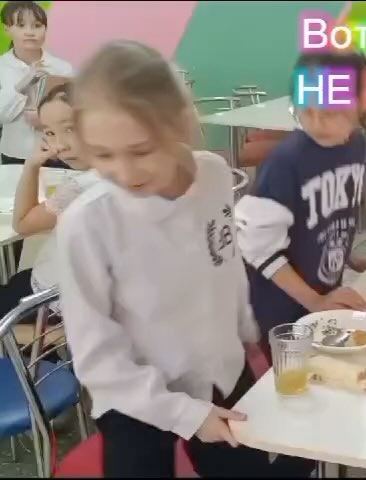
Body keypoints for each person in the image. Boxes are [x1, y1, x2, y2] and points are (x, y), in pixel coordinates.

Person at [54, 40, 315, 478]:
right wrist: (185, 414)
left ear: (177, 123)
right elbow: (98, 360)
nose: (124, 172)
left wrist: (245, 329)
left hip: (220, 370)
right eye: (102, 155)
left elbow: (225, 260)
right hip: (135, 398)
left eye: (141, 150)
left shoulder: (212, 173)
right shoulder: (87, 223)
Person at [235, 50, 366, 359]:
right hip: (281, 310)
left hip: (323, 297)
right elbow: (257, 248)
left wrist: (357, 260)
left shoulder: (356, 145)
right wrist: (315, 302)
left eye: (329, 111)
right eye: (306, 110)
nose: (316, 121)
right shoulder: (287, 162)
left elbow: (330, 220)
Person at [1, 83, 96, 320]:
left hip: (53, 301)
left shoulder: (82, 188)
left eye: (70, 128)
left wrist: (32, 165)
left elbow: (22, 223)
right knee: (17, 279)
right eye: (50, 133)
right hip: (73, 294)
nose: (60, 145)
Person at [0, 1, 73, 166]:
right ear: (7, 29)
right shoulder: (2, 66)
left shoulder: (62, 68)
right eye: (21, 25)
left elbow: (75, 114)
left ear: (45, 29)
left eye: (37, 26)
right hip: (14, 154)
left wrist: (47, 118)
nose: (30, 32)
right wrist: (25, 82)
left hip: (57, 153)